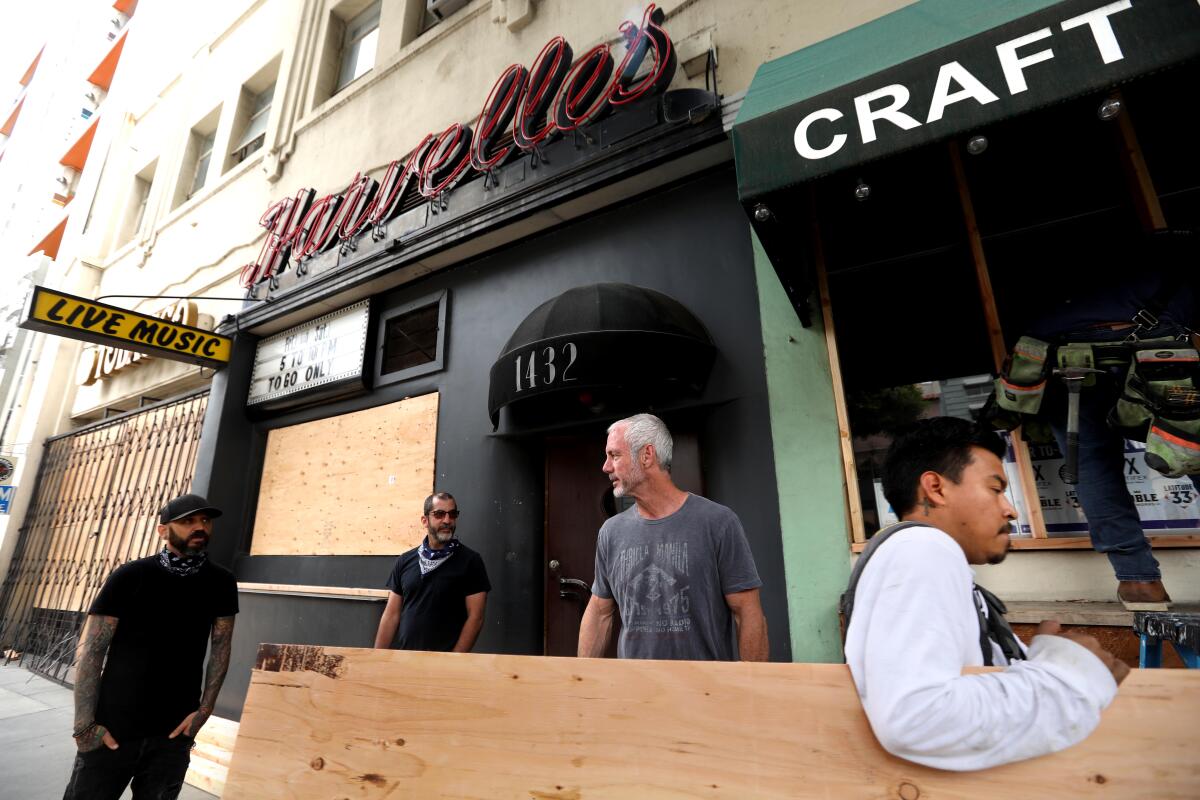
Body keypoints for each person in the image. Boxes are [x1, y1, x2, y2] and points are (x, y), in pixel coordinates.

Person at [844, 417, 1128, 771]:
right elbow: (918, 718)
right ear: (936, 487)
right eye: (995, 489)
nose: (1010, 509)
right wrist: (1073, 672)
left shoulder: (921, 553)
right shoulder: (921, 548)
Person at [1025, 228, 1199, 610]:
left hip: (1062, 357)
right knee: (1191, 443)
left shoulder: (1064, 269)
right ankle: (1138, 580)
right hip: (1155, 350)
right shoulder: (1179, 255)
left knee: (1092, 464)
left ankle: (1139, 583)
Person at [63, 493, 238, 799]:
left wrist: (204, 710)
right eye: (188, 521)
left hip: (172, 735)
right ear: (163, 530)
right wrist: (84, 727)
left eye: (205, 521)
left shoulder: (221, 581)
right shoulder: (131, 576)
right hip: (113, 729)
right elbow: (92, 649)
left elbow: (222, 646)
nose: (200, 527)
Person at [578, 413, 768, 661]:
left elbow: (747, 612)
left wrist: (750, 689)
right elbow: (599, 612)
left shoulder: (718, 523)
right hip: (635, 690)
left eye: (614, 455)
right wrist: (582, 679)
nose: (606, 466)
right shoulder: (611, 532)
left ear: (647, 455)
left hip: (705, 690)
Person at [374, 492, 490, 652]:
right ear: (425, 520)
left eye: (452, 514)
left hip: (445, 665)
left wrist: (454, 661)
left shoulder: (470, 561)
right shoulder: (405, 560)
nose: (447, 520)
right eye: (439, 514)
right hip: (406, 660)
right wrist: (378, 657)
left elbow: (476, 618)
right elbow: (391, 614)